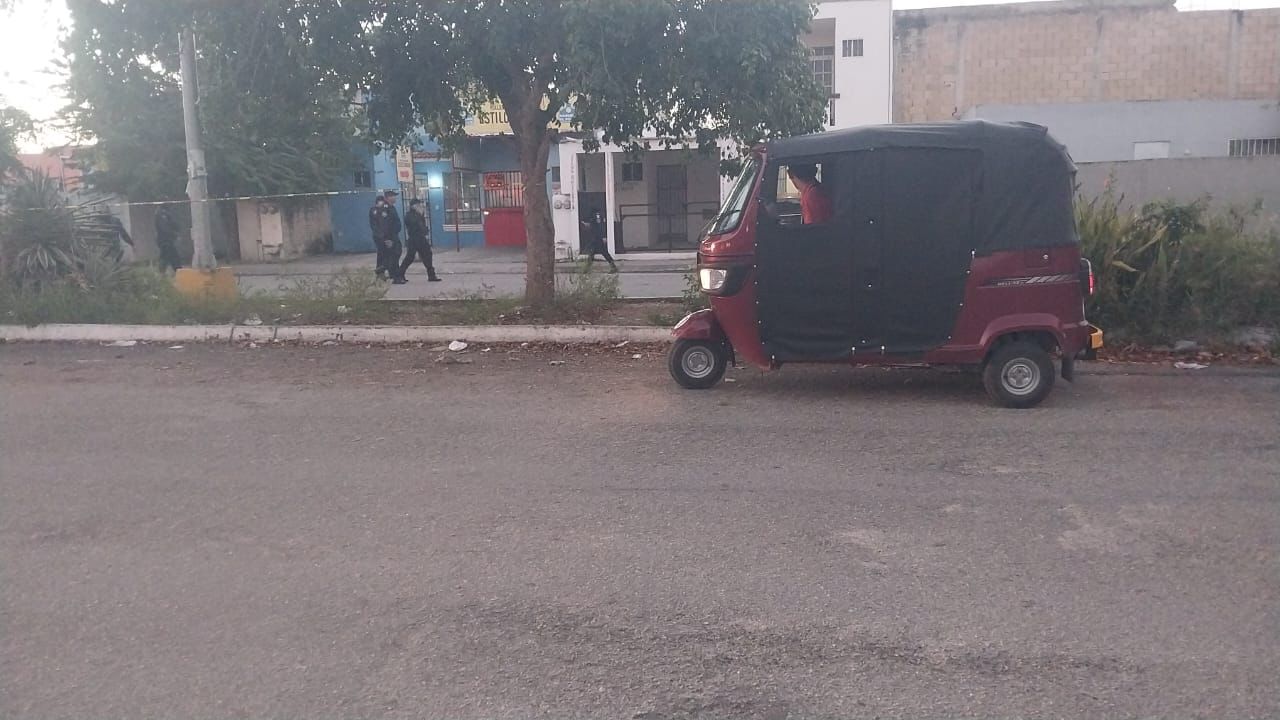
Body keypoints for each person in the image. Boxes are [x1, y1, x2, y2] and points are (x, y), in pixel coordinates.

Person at [400, 198, 441, 282]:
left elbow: (422, 225)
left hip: (421, 238)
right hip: (414, 239)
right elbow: (414, 224)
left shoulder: (419, 214)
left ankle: (431, 275)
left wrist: (425, 229)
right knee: (410, 257)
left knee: (427, 255)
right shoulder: (409, 215)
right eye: (418, 205)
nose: (420, 206)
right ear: (413, 206)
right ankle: (400, 274)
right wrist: (420, 215)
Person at [380, 189, 406, 284]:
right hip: (390, 236)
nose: (395, 198)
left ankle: (392, 274)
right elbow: (384, 225)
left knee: (395, 255)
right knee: (393, 256)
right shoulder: (385, 208)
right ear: (388, 197)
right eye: (393, 196)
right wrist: (387, 239)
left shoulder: (391, 207)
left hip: (394, 235)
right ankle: (393, 276)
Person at [580, 208, 617, 272]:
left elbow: (599, 227)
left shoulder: (595, 216)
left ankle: (613, 267)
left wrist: (603, 236)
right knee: (592, 253)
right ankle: (587, 268)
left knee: (603, 252)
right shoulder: (595, 216)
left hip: (598, 238)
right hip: (595, 237)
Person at [153, 206, 183, 271]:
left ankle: (162, 272)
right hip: (165, 240)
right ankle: (178, 271)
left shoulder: (165, 215)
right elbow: (164, 228)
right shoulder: (161, 215)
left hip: (166, 241)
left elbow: (173, 224)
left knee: (167, 257)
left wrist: (176, 228)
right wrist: (175, 235)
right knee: (172, 257)